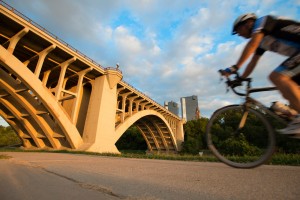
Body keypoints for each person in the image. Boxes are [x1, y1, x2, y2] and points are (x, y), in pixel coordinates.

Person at [222, 13, 300, 135]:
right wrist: (241, 78)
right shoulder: (263, 40)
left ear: (248, 23)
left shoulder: (263, 21)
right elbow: (253, 61)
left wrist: (235, 67)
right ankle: (294, 117)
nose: (239, 34)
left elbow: (252, 44)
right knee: (290, 94)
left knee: (276, 77)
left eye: (238, 30)